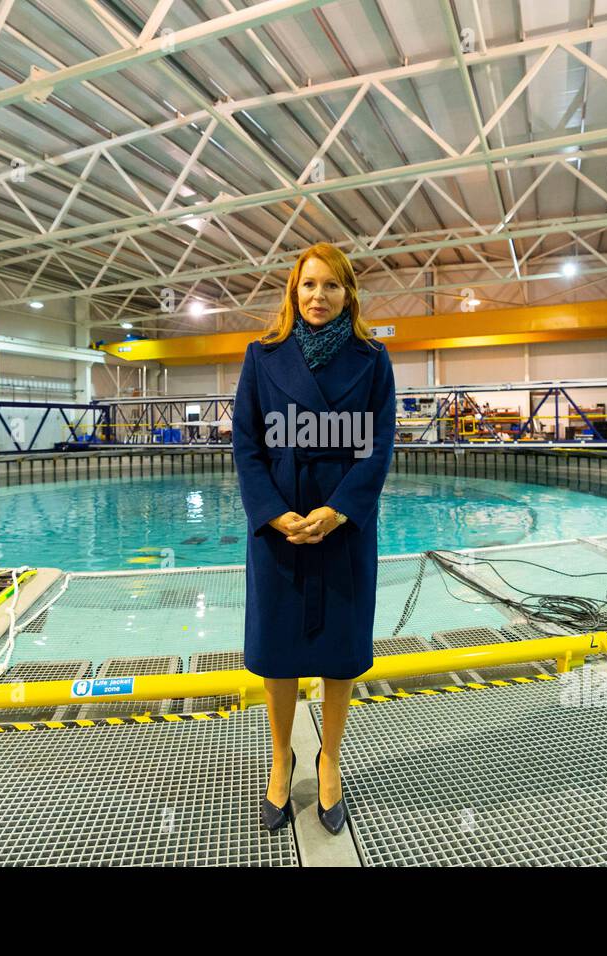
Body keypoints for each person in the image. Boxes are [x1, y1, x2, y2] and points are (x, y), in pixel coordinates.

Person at [231, 242, 396, 836]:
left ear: (348, 293)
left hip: (343, 527)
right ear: (292, 292)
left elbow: (379, 448)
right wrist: (273, 513)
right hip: (281, 526)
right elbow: (246, 445)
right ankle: (282, 757)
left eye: (331, 286)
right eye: (308, 285)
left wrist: (339, 510)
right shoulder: (262, 355)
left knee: (340, 650)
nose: (318, 297)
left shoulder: (373, 359)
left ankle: (331, 758)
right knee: (277, 651)